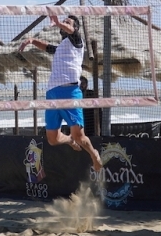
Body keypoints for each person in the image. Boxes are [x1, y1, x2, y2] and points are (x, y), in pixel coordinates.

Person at [19, 15, 102, 171]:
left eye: (67, 22)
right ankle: (70, 141)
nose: (64, 24)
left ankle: (93, 154)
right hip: (52, 93)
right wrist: (31, 40)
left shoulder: (77, 42)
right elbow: (47, 47)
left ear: (74, 28)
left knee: (79, 135)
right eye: (63, 22)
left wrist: (58, 22)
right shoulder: (61, 47)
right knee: (53, 139)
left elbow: (71, 30)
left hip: (69, 91)